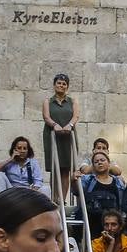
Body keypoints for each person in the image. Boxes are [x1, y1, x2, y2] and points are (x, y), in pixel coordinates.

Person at [42, 73, 79, 202]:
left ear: (67, 87)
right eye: (59, 83)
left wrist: (69, 125)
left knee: (66, 169)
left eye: (64, 84)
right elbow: (46, 117)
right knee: (55, 167)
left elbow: (75, 116)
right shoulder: (48, 101)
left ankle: (62, 199)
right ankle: (54, 198)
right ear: (54, 85)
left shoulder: (72, 101)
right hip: (53, 135)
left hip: (68, 136)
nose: (61, 85)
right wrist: (54, 125)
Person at [80, 151, 127, 235]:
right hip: (93, 220)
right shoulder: (87, 179)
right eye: (96, 162)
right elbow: (76, 191)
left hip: (112, 222)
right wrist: (73, 180)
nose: (100, 163)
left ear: (109, 163)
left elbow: (121, 201)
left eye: (102, 160)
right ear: (93, 166)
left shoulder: (118, 182)